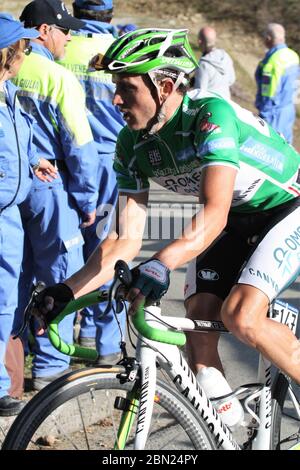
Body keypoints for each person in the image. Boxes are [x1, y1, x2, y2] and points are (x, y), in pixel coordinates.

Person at [35, 29, 300, 387]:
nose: (115, 100)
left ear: (164, 87)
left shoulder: (209, 115)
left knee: (242, 316)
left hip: (285, 207)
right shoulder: (131, 143)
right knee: (199, 320)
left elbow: (215, 210)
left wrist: (162, 261)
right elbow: (122, 239)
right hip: (234, 218)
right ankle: (220, 427)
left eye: (127, 88)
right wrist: (67, 291)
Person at [13, 0, 99, 391]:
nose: (69, 37)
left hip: (13, 185)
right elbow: (80, 147)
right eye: (64, 30)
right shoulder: (59, 78)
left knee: (15, 277)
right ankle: (49, 368)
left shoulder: (7, 68)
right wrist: (87, 201)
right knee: (60, 276)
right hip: (52, 189)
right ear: (44, 31)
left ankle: (13, 363)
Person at [58, 0, 125, 361]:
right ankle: (107, 344)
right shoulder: (117, 51)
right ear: (110, 15)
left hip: (68, 163)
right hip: (115, 163)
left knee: (67, 250)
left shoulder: (62, 50)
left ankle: (60, 337)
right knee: (109, 251)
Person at [0, 13, 56, 415]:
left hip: (10, 214)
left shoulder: (10, 93)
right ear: (7, 55)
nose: (27, 51)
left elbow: (20, 135)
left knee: (6, 300)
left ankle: (2, 383)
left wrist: (34, 159)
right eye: (21, 47)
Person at [255, 23, 299, 143]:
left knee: (269, 149)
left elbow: (268, 95)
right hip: (289, 110)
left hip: (274, 115)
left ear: (268, 38)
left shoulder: (272, 61)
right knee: (285, 146)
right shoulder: (293, 56)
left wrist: (263, 117)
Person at [194, 26, 235, 99]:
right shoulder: (225, 57)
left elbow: (199, 92)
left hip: (210, 106)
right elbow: (231, 80)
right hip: (227, 103)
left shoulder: (203, 64)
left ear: (200, 41)